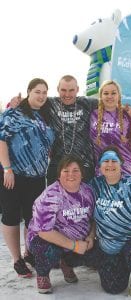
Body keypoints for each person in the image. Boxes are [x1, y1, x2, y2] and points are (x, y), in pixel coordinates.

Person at [61, 146, 131, 297]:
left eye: (114, 160)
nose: (110, 164)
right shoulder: (95, 185)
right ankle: (120, 265)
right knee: (112, 288)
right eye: (105, 161)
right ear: (100, 166)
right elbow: (92, 217)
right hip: (108, 245)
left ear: (121, 163)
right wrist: (90, 236)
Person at [0, 78, 55, 277]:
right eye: (37, 91)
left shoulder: (47, 115)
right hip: (14, 175)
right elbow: (2, 141)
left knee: (33, 219)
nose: (41, 96)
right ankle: (17, 259)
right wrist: (7, 169)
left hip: (38, 177)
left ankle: (29, 252)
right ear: (28, 92)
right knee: (12, 216)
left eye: (44, 92)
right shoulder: (13, 114)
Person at [27, 154, 95, 294]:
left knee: (101, 252)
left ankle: (67, 263)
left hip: (78, 240)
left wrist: (91, 236)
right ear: (59, 175)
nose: (71, 174)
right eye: (66, 171)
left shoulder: (88, 192)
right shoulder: (50, 195)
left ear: (82, 174)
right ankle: (43, 274)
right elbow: (43, 231)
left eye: (76, 170)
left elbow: (93, 219)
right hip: (47, 239)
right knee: (45, 249)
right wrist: (74, 246)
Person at [89, 80, 131, 175]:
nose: (109, 96)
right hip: (102, 168)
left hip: (125, 168)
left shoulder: (127, 115)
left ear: (119, 96)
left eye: (113, 93)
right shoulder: (92, 114)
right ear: (101, 96)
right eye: (106, 93)